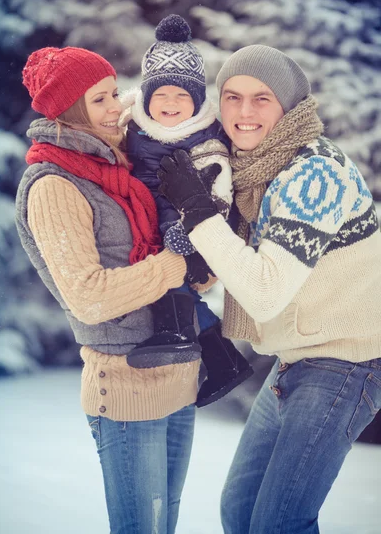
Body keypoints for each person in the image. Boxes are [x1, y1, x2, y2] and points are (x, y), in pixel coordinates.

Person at [157, 44, 381, 533]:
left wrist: (197, 213)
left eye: (262, 99)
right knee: (240, 512)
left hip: (344, 365)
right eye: (233, 97)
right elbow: (244, 264)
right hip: (296, 358)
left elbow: (263, 292)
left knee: (279, 524)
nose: (244, 112)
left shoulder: (313, 173)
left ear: (289, 107)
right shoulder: (257, 172)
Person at [16, 46, 200, 534]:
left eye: (114, 93)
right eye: (99, 100)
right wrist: (174, 264)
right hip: (123, 385)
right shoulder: (54, 184)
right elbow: (89, 296)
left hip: (177, 374)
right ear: (72, 111)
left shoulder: (125, 171)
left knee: (167, 525)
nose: (117, 106)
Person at [122, 14, 253, 407]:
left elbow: (220, 186)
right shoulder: (133, 125)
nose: (171, 104)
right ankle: (223, 358)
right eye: (161, 95)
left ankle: (177, 332)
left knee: (168, 273)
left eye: (182, 96)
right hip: (147, 217)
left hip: (185, 219)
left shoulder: (205, 137)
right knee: (164, 273)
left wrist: (190, 229)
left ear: (197, 101)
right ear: (146, 97)